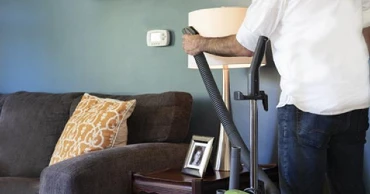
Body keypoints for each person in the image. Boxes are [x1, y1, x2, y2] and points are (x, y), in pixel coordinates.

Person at [182, 1, 370, 194]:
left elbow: (245, 46)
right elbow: (366, 31)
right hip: (355, 101)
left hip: (307, 104)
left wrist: (199, 43)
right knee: (350, 187)